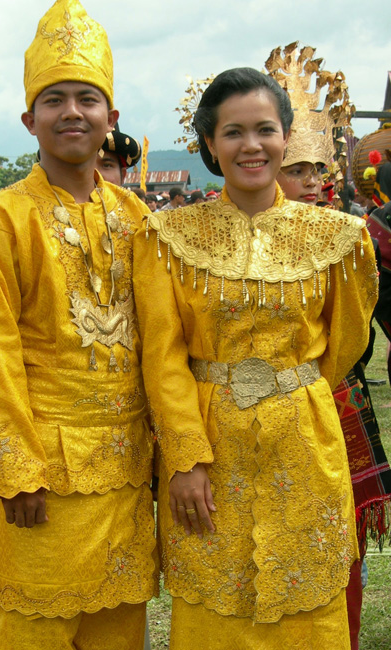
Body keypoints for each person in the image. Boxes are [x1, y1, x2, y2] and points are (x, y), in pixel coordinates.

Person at [133, 67, 377, 649]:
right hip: (211, 449)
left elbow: (345, 343)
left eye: (265, 129)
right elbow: (163, 360)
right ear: (210, 146)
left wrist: (294, 391)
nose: (251, 145)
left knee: (308, 601)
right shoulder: (166, 237)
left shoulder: (341, 238)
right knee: (217, 601)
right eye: (233, 132)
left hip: (305, 443)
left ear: (286, 137)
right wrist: (185, 459)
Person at [0, 2, 157, 649]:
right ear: (29, 119)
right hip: (46, 476)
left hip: (127, 473)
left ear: (112, 117)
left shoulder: (136, 218)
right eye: (54, 99)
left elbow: (161, 345)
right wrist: (17, 469)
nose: (72, 111)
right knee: (38, 631)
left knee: (120, 631)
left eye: (87, 98)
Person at [268, 42, 391, 650]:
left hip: (339, 402)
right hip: (260, 412)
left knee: (341, 544)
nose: (312, 183)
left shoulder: (354, 236)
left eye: (319, 170)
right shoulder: (223, 244)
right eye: (297, 170)